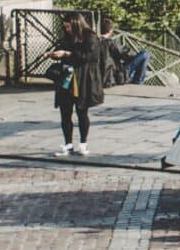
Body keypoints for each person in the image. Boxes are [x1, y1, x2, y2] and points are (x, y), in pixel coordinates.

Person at [48, 13, 106, 156]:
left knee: (81, 112)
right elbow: (62, 48)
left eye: (68, 26)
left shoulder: (90, 37)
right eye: (65, 27)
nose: (67, 29)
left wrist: (67, 54)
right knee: (65, 113)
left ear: (75, 24)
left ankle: (83, 143)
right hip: (66, 78)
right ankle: (68, 144)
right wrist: (54, 53)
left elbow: (88, 57)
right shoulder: (67, 37)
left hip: (82, 79)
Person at [100, 16, 149, 87]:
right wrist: (134, 54)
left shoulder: (95, 42)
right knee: (145, 54)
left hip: (102, 77)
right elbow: (126, 54)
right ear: (111, 30)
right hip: (114, 76)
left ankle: (137, 81)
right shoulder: (110, 43)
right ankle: (138, 82)